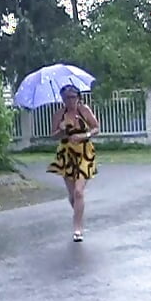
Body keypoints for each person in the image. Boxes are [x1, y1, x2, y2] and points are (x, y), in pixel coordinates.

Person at [47, 84, 99, 241]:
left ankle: (78, 228)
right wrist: (61, 130)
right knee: (72, 195)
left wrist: (85, 135)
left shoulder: (84, 111)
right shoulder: (59, 114)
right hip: (67, 154)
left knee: (78, 192)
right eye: (66, 98)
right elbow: (53, 136)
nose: (69, 101)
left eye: (72, 97)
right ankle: (79, 214)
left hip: (84, 152)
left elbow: (96, 128)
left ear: (78, 97)